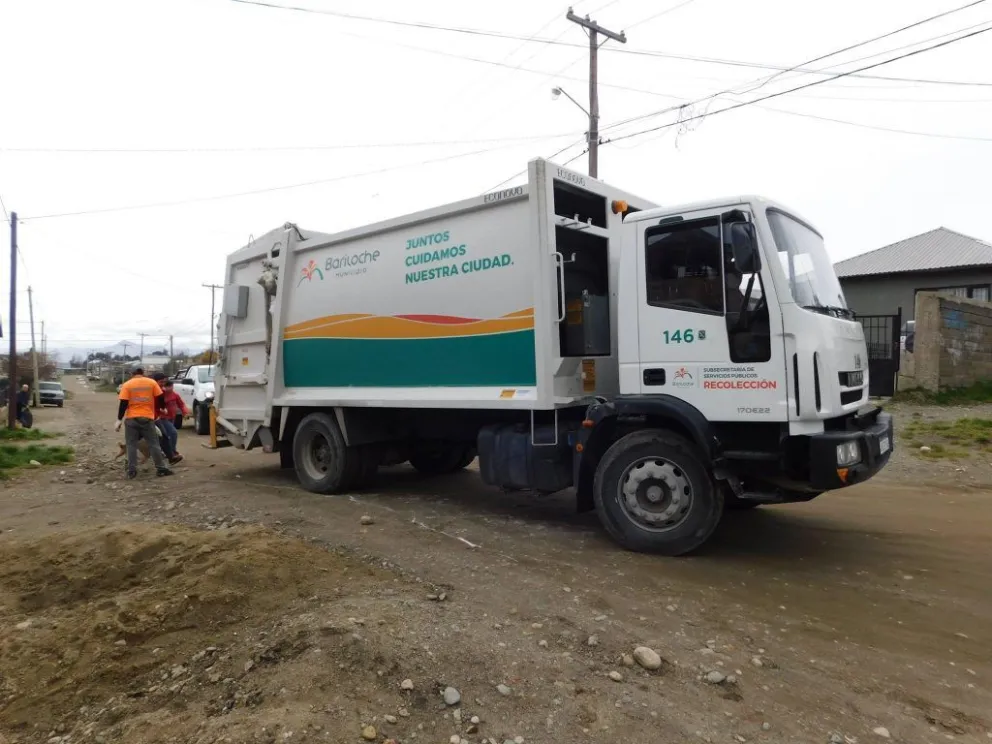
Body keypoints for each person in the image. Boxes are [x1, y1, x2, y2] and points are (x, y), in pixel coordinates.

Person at [116, 368, 173, 478]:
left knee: (131, 444)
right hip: (147, 418)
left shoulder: (127, 385)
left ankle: (131, 471)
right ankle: (161, 469)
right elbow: (160, 396)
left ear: (132, 374)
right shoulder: (151, 382)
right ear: (143, 373)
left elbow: (123, 402)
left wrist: (119, 420)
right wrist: (162, 408)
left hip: (132, 418)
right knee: (153, 444)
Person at [156, 378, 187, 464]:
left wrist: (185, 412)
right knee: (173, 433)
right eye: (168, 387)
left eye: (171, 386)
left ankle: (165, 451)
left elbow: (181, 404)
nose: (170, 388)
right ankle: (172, 453)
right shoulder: (161, 395)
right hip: (163, 418)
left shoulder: (175, 395)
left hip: (172, 418)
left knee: (167, 436)